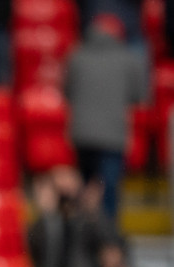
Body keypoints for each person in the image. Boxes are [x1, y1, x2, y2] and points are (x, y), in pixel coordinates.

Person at [64, 13, 149, 219]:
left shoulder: (76, 55)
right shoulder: (128, 58)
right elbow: (139, 96)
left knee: (86, 187)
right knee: (108, 191)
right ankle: (107, 239)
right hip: (112, 135)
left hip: (81, 134)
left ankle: (84, 236)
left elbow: (67, 92)